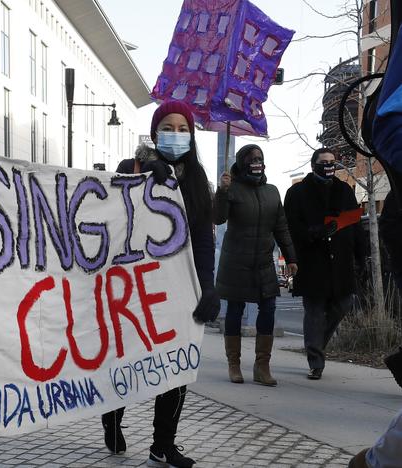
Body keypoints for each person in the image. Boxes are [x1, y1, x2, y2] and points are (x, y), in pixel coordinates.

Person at [101, 100, 219, 468]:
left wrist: (208, 287)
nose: (176, 134)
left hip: (177, 288)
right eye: (168, 127)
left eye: (184, 129)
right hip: (132, 287)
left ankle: (163, 444)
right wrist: (144, 178)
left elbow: (202, 238)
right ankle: (112, 415)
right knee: (124, 358)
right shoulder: (131, 168)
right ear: (155, 133)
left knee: (176, 365)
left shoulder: (198, 179)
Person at [213, 144, 297, 386]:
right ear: (241, 163)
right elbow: (218, 217)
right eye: (251, 158)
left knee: (269, 308)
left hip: (263, 261)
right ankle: (234, 365)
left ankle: (262, 366)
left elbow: (281, 226)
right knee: (235, 311)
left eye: (259, 158)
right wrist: (222, 192)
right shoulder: (232, 189)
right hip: (236, 261)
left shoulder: (272, 191)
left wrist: (291, 258)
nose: (256, 161)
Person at [284, 148, 364, 380]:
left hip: (341, 260)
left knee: (343, 304)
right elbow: (289, 226)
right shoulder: (297, 192)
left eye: (332, 162)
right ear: (314, 165)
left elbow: (355, 225)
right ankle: (316, 361)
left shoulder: (344, 190)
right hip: (312, 261)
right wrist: (313, 232)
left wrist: (361, 257)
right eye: (324, 162)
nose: (329, 165)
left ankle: (316, 345)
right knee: (315, 311)